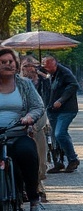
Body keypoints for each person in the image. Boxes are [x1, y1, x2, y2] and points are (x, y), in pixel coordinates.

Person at [0, 48, 46, 211]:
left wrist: (29, 117)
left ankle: (34, 200)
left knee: (27, 153)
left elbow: (37, 106)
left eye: (10, 62)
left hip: (17, 133)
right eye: (3, 62)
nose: (8, 65)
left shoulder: (24, 84)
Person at [43, 55, 80, 174]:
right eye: (45, 66)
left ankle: (73, 159)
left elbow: (74, 85)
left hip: (66, 109)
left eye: (49, 66)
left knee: (60, 133)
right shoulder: (46, 74)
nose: (46, 69)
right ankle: (58, 162)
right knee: (54, 137)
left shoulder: (64, 72)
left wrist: (61, 100)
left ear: (55, 64)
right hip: (52, 110)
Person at [20, 57, 50, 202]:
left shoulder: (44, 82)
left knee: (41, 163)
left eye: (32, 66)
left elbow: (45, 102)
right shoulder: (17, 83)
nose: (29, 69)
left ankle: (38, 185)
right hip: (21, 127)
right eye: (26, 66)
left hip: (39, 124)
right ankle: (32, 189)